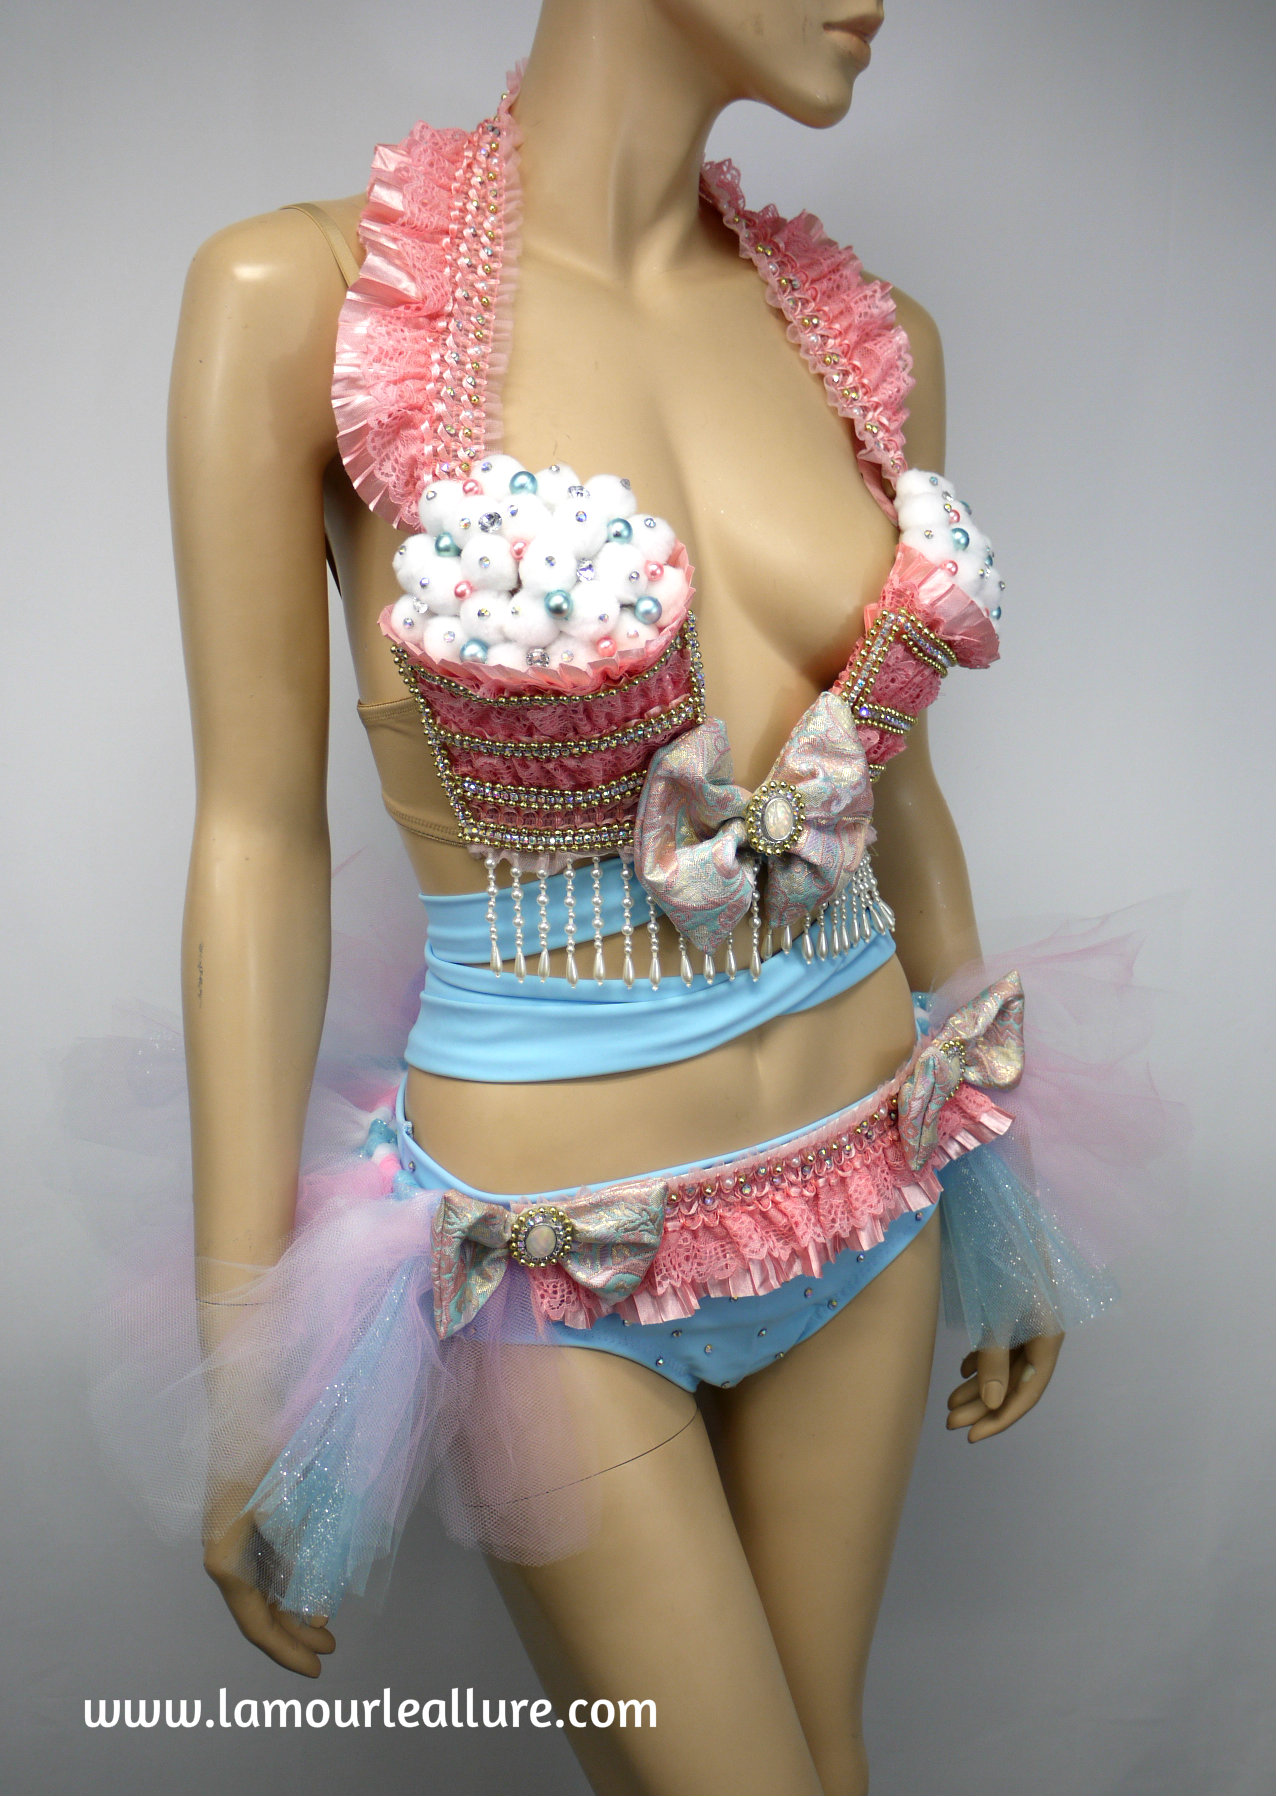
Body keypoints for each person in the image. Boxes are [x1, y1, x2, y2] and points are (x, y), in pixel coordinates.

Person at [162, 5, 1143, 1792]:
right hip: (553, 1248)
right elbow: (257, 839)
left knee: (825, 1763)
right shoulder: (300, 298)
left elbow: (895, 787)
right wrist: (251, 1369)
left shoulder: (871, 339)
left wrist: (995, 1177)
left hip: (869, 1178)